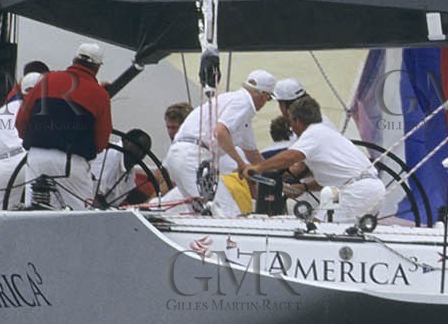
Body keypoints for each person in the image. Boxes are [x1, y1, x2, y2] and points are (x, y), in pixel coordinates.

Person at [242, 96, 385, 222]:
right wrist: (305, 187)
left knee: (320, 231)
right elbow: (335, 176)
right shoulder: (326, 133)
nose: (291, 127)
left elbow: (291, 157)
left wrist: (257, 168)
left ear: (297, 121)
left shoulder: (313, 133)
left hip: (357, 191)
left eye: (291, 122)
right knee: (317, 224)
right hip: (363, 188)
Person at [15, 42, 113, 209]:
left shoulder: (47, 80)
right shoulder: (100, 95)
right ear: (97, 67)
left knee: (32, 213)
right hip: (70, 163)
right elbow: (102, 140)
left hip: (36, 158)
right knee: (78, 218)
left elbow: (21, 122)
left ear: (74, 60)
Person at [164, 69, 274, 201]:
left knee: (202, 210)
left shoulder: (236, 107)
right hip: (193, 157)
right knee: (226, 210)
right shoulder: (244, 103)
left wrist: (274, 178)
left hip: (181, 155)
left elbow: (252, 153)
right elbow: (220, 132)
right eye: (268, 99)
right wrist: (241, 164)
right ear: (263, 95)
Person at [91, 128, 157, 207]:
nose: (141, 154)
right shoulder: (110, 155)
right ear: (125, 142)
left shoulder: (129, 170)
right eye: (139, 148)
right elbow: (94, 193)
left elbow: (131, 195)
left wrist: (154, 202)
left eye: (145, 152)